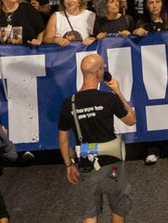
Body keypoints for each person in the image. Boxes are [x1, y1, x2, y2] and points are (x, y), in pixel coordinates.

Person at [57, 52, 136, 223]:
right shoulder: (108, 98)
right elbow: (131, 120)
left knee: (90, 214)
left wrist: (69, 165)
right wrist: (118, 92)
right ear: (99, 72)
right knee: (118, 210)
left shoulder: (68, 103)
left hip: (87, 165)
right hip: (111, 162)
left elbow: (63, 139)